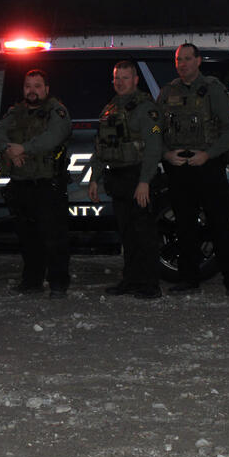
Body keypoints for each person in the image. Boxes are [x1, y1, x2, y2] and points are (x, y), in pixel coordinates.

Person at [157, 43, 229, 299]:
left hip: (207, 167)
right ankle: (188, 278)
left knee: (220, 225)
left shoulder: (213, 91)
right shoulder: (167, 93)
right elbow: (153, 129)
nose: (182, 64)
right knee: (184, 226)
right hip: (178, 168)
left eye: (187, 59)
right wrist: (165, 152)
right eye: (178, 60)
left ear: (198, 61)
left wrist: (208, 154)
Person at [0, 69, 72, 298]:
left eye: (37, 86)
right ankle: (32, 281)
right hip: (21, 184)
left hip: (48, 184)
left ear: (46, 89)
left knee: (54, 237)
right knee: (28, 237)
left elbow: (54, 136)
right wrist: (8, 150)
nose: (32, 90)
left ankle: (58, 284)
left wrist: (24, 148)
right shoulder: (16, 112)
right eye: (28, 86)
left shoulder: (57, 111)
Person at [87, 60, 163, 299]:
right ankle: (130, 280)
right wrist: (94, 178)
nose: (120, 83)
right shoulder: (110, 109)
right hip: (119, 179)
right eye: (117, 78)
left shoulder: (146, 108)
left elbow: (154, 146)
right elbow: (101, 147)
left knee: (145, 234)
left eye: (125, 78)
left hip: (138, 176)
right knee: (127, 234)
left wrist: (145, 182)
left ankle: (150, 285)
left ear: (136, 80)